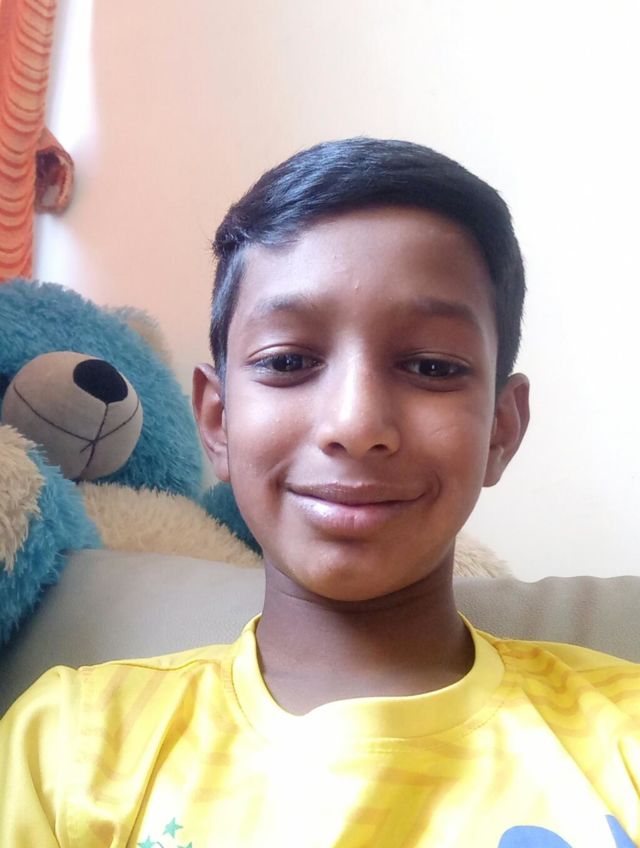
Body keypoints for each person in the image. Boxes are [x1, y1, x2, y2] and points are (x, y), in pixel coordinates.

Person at [1, 138, 639, 847]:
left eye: (431, 366)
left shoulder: (623, 738)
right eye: (288, 361)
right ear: (217, 419)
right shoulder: (70, 747)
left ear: (501, 428)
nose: (355, 425)